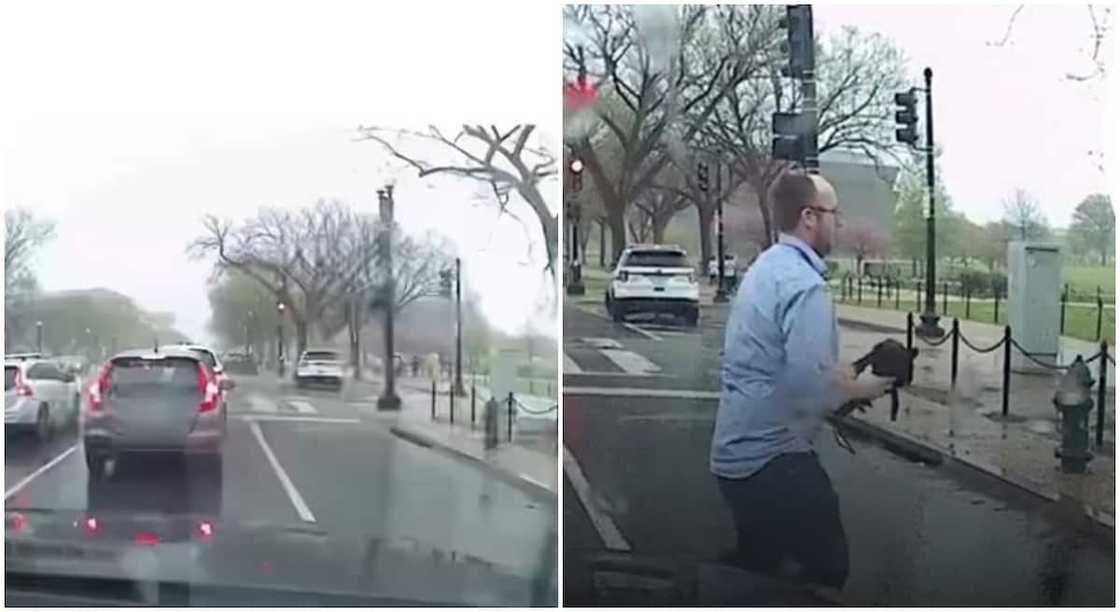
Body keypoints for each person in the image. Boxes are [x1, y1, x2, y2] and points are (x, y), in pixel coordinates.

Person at [709, 170, 893, 591]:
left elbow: (783, 363)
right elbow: (813, 388)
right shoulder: (806, 287)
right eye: (833, 213)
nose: (839, 223)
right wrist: (873, 386)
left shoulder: (768, 267)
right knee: (826, 571)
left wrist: (842, 377)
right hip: (773, 458)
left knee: (758, 570)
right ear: (809, 217)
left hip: (735, 455)